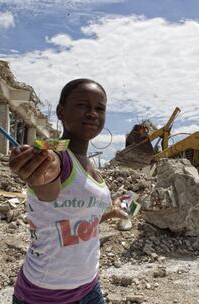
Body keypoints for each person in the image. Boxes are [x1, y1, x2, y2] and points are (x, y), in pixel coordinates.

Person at [9, 78, 129, 304]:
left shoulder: (92, 167)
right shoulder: (57, 154)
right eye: (83, 105)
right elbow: (48, 169)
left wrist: (111, 212)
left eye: (99, 108)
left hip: (90, 289)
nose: (93, 113)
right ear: (61, 112)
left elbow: (78, 219)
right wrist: (39, 173)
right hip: (44, 296)